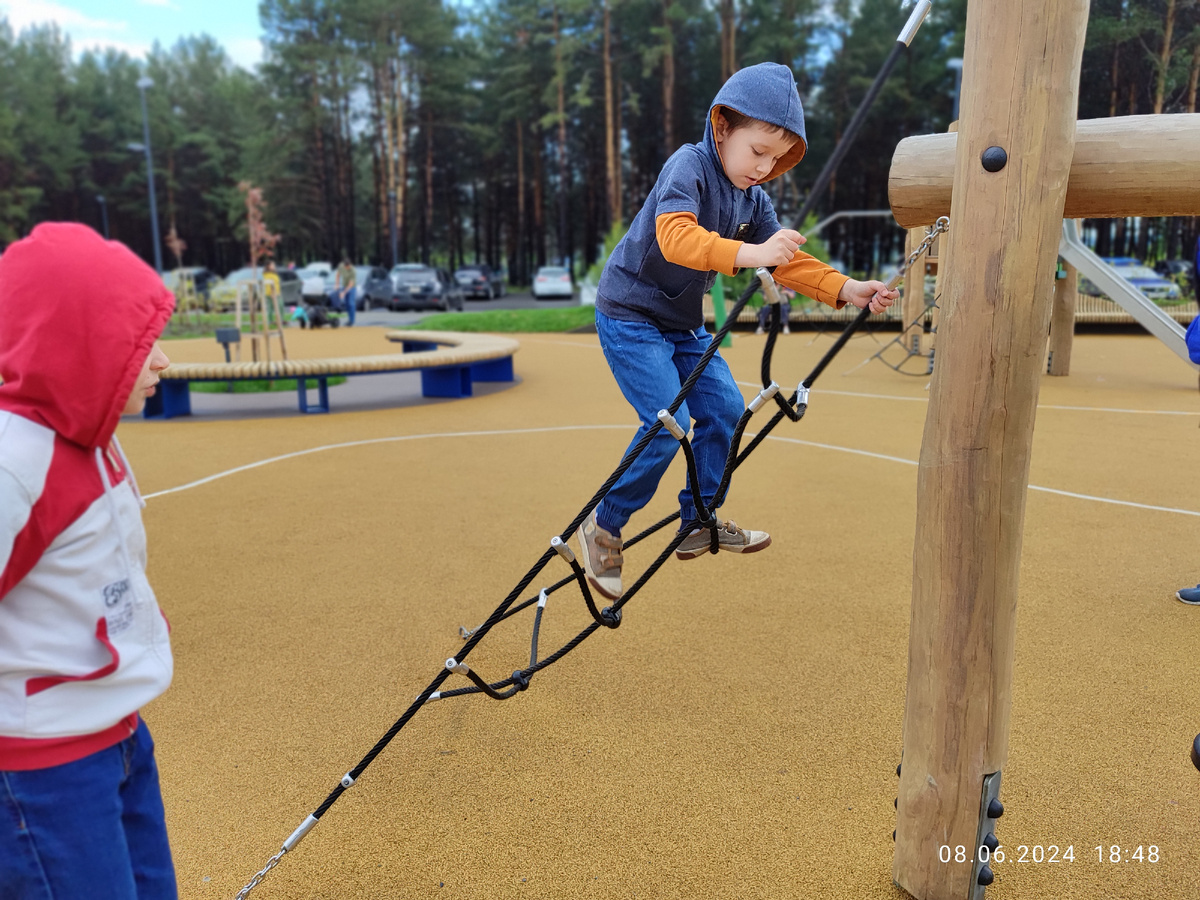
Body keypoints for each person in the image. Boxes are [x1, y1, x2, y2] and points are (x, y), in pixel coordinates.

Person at [578, 62, 897, 600]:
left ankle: (698, 519)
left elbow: (787, 262)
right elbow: (677, 237)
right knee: (666, 422)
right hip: (630, 315)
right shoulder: (690, 166)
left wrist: (846, 288)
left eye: (776, 159)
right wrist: (751, 255)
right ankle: (605, 526)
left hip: (681, 324)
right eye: (757, 152)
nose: (765, 167)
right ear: (722, 127)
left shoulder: (755, 201)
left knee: (726, 410)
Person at [0, 223, 178, 898]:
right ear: (83, 346)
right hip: (43, 769)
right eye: (139, 344)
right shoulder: (16, 463)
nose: (162, 361)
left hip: (120, 731)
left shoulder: (95, 441)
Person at [334, 257, 357, 326]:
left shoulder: (353, 271)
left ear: (350, 265)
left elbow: (351, 284)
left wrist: (343, 293)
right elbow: (338, 275)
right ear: (344, 265)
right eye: (346, 267)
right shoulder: (341, 266)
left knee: (351, 303)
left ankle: (351, 321)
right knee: (346, 304)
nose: (347, 268)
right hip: (344, 285)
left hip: (352, 287)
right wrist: (337, 285)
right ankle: (349, 319)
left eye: (348, 266)